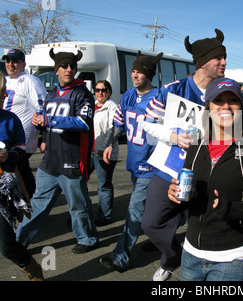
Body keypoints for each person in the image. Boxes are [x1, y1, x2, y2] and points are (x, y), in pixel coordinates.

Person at [167, 77, 243, 281]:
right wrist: (175, 194)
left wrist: (233, 210)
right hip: (191, 252)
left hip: (232, 259)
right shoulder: (197, 145)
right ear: (208, 107)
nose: (226, 106)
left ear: (241, 108)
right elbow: (189, 192)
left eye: (232, 100)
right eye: (218, 100)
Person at [141, 29, 231, 281]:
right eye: (219, 59)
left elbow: (240, 128)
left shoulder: (225, 93)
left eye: (225, 59)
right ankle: (171, 258)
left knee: (203, 226)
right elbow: (147, 123)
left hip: (208, 173)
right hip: (170, 169)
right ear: (203, 62)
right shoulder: (173, 89)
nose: (224, 63)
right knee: (151, 222)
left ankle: (206, 271)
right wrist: (173, 137)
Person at [16, 48, 99, 254]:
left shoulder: (83, 94)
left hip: (71, 161)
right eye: (64, 66)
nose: (68, 69)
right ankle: (17, 242)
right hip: (49, 161)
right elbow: (46, 120)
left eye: (72, 66)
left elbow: (83, 123)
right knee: (36, 206)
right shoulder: (52, 93)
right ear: (56, 70)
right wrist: (40, 124)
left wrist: (48, 120)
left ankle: (88, 239)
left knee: (78, 206)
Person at [99, 51, 163, 271]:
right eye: (133, 71)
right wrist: (110, 143)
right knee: (151, 210)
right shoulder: (127, 96)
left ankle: (121, 256)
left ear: (149, 74)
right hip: (134, 163)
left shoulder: (159, 98)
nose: (135, 75)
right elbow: (117, 124)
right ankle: (163, 240)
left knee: (135, 209)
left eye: (140, 72)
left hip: (152, 165)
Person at [0, 71, 44, 281]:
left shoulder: (10, 120)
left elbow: (20, 151)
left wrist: (8, 155)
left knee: (7, 246)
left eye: (3, 95)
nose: (3, 99)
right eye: (1, 95)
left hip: (4, 192)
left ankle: (35, 272)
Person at [2, 49, 47, 197]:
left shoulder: (29, 80)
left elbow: (43, 107)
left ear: (23, 64)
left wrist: (45, 137)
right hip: (7, 138)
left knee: (15, 173)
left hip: (23, 140)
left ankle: (28, 205)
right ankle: (34, 205)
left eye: (15, 61)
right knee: (23, 172)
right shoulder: (6, 81)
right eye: (8, 61)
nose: (10, 64)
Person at [92, 80, 119, 226]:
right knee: (79, 182)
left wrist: (105, 147)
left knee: (104, 185)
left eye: (104, 90)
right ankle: (81, 214)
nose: (100, 93)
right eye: (97, 90)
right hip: (89, 151)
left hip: (104, 152)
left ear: (109, 92)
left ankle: (104, 216)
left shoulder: (112, 107)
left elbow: (112, 129)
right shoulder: (91, 106)